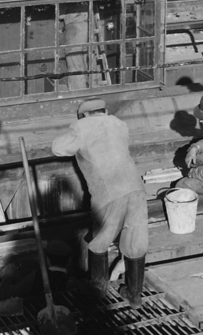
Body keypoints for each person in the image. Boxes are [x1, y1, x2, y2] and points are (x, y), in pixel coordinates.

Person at [51, 98, 149, 305]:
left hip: (109, 191)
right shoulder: (118, 123)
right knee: (135, 241)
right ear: (104, 111)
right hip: (136, 188)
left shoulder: (82, 126)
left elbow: (58, 149)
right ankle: (135, 294)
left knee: (100, 240)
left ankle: (98, 289)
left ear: (84, 115)